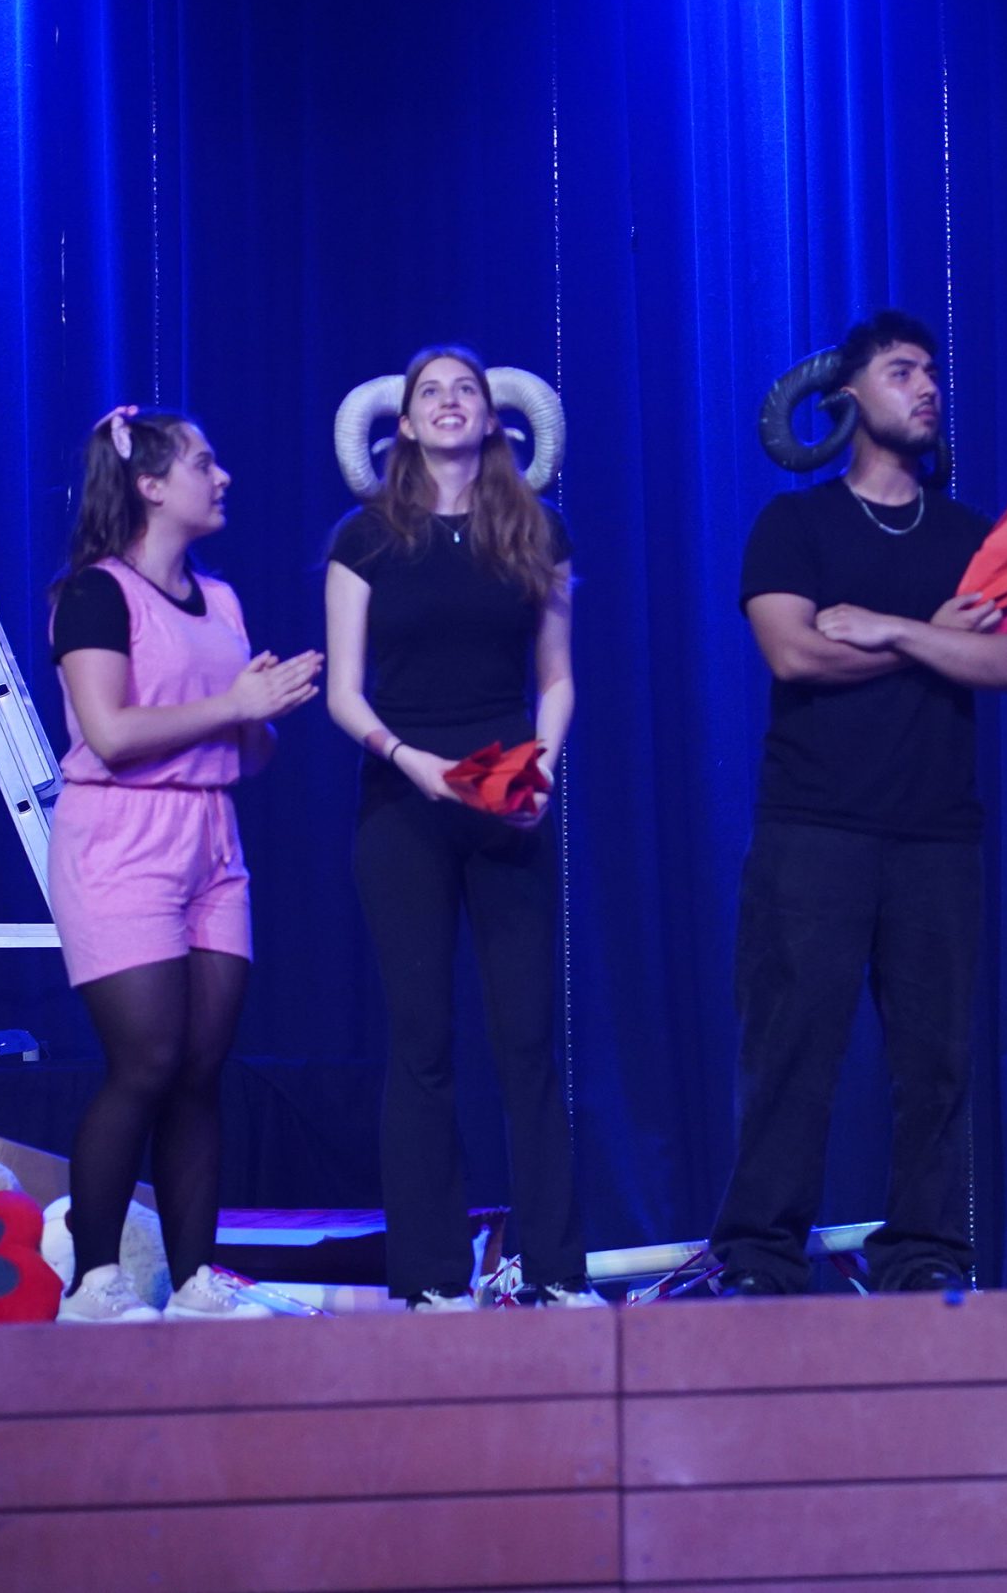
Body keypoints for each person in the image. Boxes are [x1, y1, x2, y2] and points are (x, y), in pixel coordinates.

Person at [710, 309, 1007, 1296]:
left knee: (935, 1061)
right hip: (813, 827)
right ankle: (761, 1253)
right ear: (849, 398)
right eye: (902, 371)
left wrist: (893, 629)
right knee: (792, 1049)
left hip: (936, 831)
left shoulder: (971, 536)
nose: (927, 386)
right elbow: (794, 652)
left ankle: (925, 1249)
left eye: (932, 370)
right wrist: (934, 639)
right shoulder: (795, 524)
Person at [325, 346, 594, 1309]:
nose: (448, 402)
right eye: (430, 393)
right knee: (421, 1043)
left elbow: (556, 676)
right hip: (404, 801)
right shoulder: (365, 538)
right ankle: (433, 1277)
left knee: (528, 1041)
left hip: (506, 795)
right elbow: (345, 692)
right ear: (403, 424)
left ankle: (557, 1272)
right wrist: (409, 761)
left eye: (465, 390)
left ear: (492, 417)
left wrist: (542, 764)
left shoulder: (536, 531)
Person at [49, 405, 322, 1324]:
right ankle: (95, 1282)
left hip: (212, 838)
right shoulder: (97, 593)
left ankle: (196, 1279)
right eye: (205, 463)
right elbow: (111, 733)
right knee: (148, 1060)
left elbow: (246, 751)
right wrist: (233, 706)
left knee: (203, 1068)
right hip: (120, 839)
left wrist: (262, 712)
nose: (223, 477)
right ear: (151, 485)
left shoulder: (225, 602)